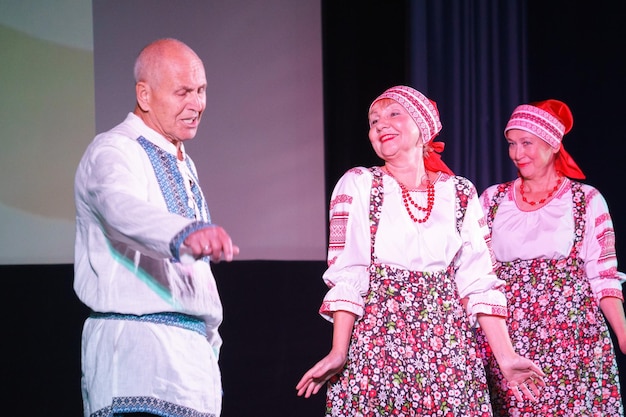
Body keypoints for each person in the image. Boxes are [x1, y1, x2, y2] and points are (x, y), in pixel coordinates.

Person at [295, 85, 545, 416]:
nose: (381, 124)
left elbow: (479, 280)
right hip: (379, 348)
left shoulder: (459, 192)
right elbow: (348, 272)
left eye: (393, 114)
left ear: (422, 126)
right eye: (373, 121)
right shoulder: (359, 184)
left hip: (448, 350)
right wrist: (339, 351)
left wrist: (507, 357)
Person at [73, 38, 239, 417]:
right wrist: (184, 233)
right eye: (183, 92)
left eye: (201, 91)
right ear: (144, 95)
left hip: (190, 363)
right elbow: (119, 207)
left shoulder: (183, 162)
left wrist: (210, 341)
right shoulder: (115, 149)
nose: (197, 104)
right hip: (137, 356)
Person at [477, 99, 626, 415]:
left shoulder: (585, 200)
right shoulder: (491, 200)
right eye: (511, 144)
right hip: (508, 338)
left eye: (527, 143)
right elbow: (476, 274)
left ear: (553, 143)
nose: (518, 153)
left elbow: (603, 275)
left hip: (571, 340)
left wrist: (623, 335)